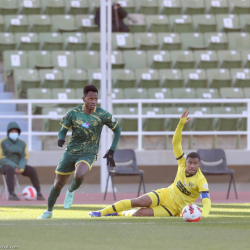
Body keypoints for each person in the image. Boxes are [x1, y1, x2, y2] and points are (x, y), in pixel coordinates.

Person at [89, 110, 211, 218]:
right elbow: (176, 143)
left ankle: (119, 213)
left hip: (173, 209)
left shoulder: (201, 181)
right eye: (190, 162)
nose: (192, 166)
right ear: (186, 162)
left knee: (140, 213)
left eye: (195, 163)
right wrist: (180, 125)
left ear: (199, 164)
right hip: (165, 195)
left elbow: (206, 201)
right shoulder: (182, 163)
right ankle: (101, 212)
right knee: (138, 202)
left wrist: (204, 215)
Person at [38, 84, 121, 219]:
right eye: (90, 99)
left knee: (79, 174)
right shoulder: (73, 113)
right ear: (84, 99)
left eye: (95, 99)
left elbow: (117, 130)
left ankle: (70, 191)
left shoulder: (102, 114)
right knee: (58, 183)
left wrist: (112, 150)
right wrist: (60, 138)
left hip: (89, 152)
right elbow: (62, 131)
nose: (93, 101)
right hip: (71, 151)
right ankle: (48, 211)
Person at [0, 122, 45, 200]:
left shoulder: (23, 143)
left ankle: (38, 193)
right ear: (8, 132)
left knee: (32, 170)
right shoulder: (2, 142)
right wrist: (14, 166)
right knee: (10, 169)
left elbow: (24, 156)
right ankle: (12, 194)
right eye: (12, 131)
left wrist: (20, 167)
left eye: (16, 131)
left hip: (19, 166)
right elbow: (1, 157)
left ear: (18, 132)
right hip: (4, 165)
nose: (14, 133)